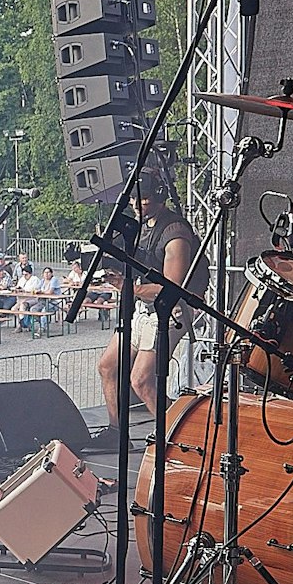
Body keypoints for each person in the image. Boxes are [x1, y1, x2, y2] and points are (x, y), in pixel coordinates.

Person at [90, 180, 200, 446]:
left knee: (141, 381)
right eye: (134, 200)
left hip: (170, 311)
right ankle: (117, 433)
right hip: (144, 307)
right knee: (108, 366)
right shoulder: (142, 227)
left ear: (161, 198)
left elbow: (171, 288)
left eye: (145, 199)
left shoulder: (175, 233)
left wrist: (129, 287)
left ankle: (180, 436)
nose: (136, 205)